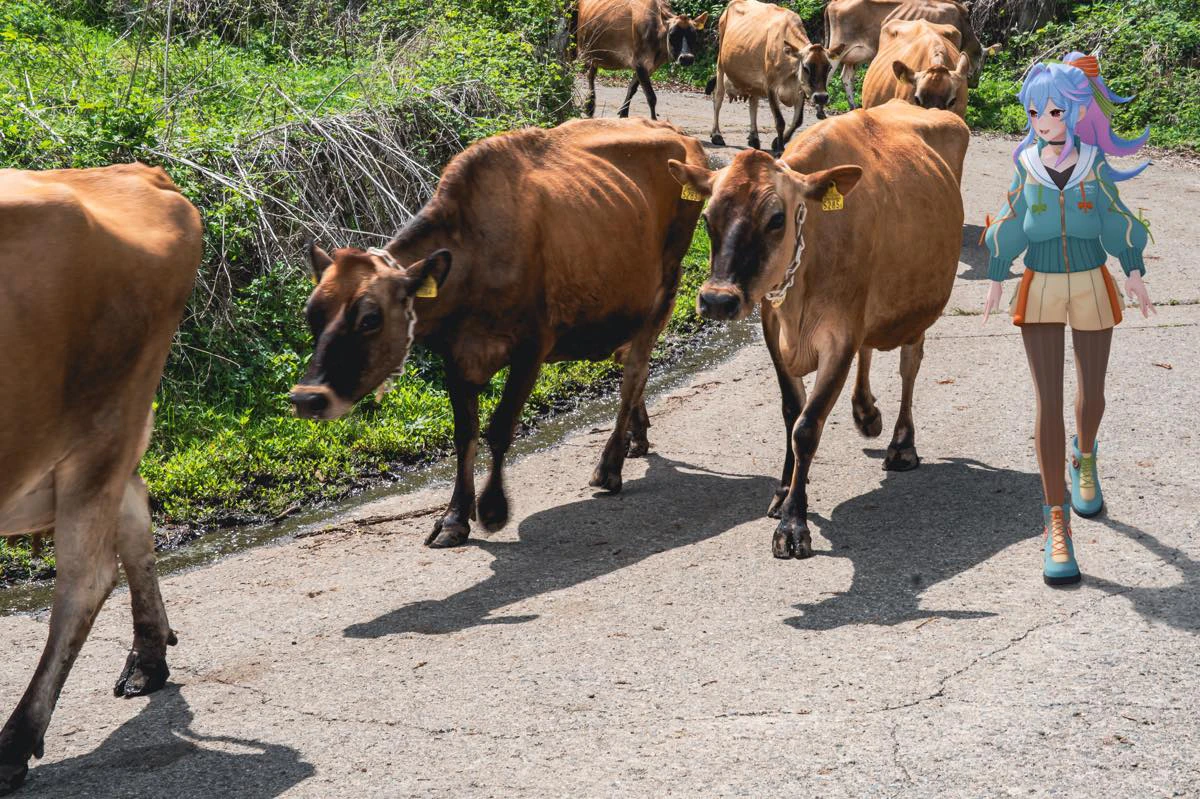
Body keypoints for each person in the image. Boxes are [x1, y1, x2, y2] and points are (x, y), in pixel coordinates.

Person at [981, 52, 1153, 586]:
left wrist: (1133, 267)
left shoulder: (1094, 165)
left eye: (1054, 112)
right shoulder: (1026, 166)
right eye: (1036, 113)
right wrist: (996, 271)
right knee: (1048, 402)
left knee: (1092, 396)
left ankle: (1086, 454)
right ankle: (1057, 520)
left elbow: (1115, 217)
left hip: (1091, 281)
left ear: (1076, 112)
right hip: (1040, 285)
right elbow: (1012, 218)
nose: (1044, 122)